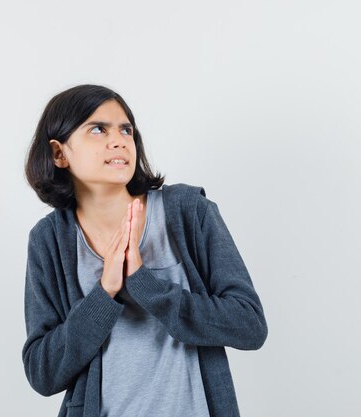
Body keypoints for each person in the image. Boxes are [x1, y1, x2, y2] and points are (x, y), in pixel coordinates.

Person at [22, 84, 268, 417]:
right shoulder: (49, 240)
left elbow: (249, 324)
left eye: (126, 129)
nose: (119, 140)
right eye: (98, 129)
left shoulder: (189, 212)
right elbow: (43, 372)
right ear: (59, 154)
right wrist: (104, 293)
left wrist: (144, 284)